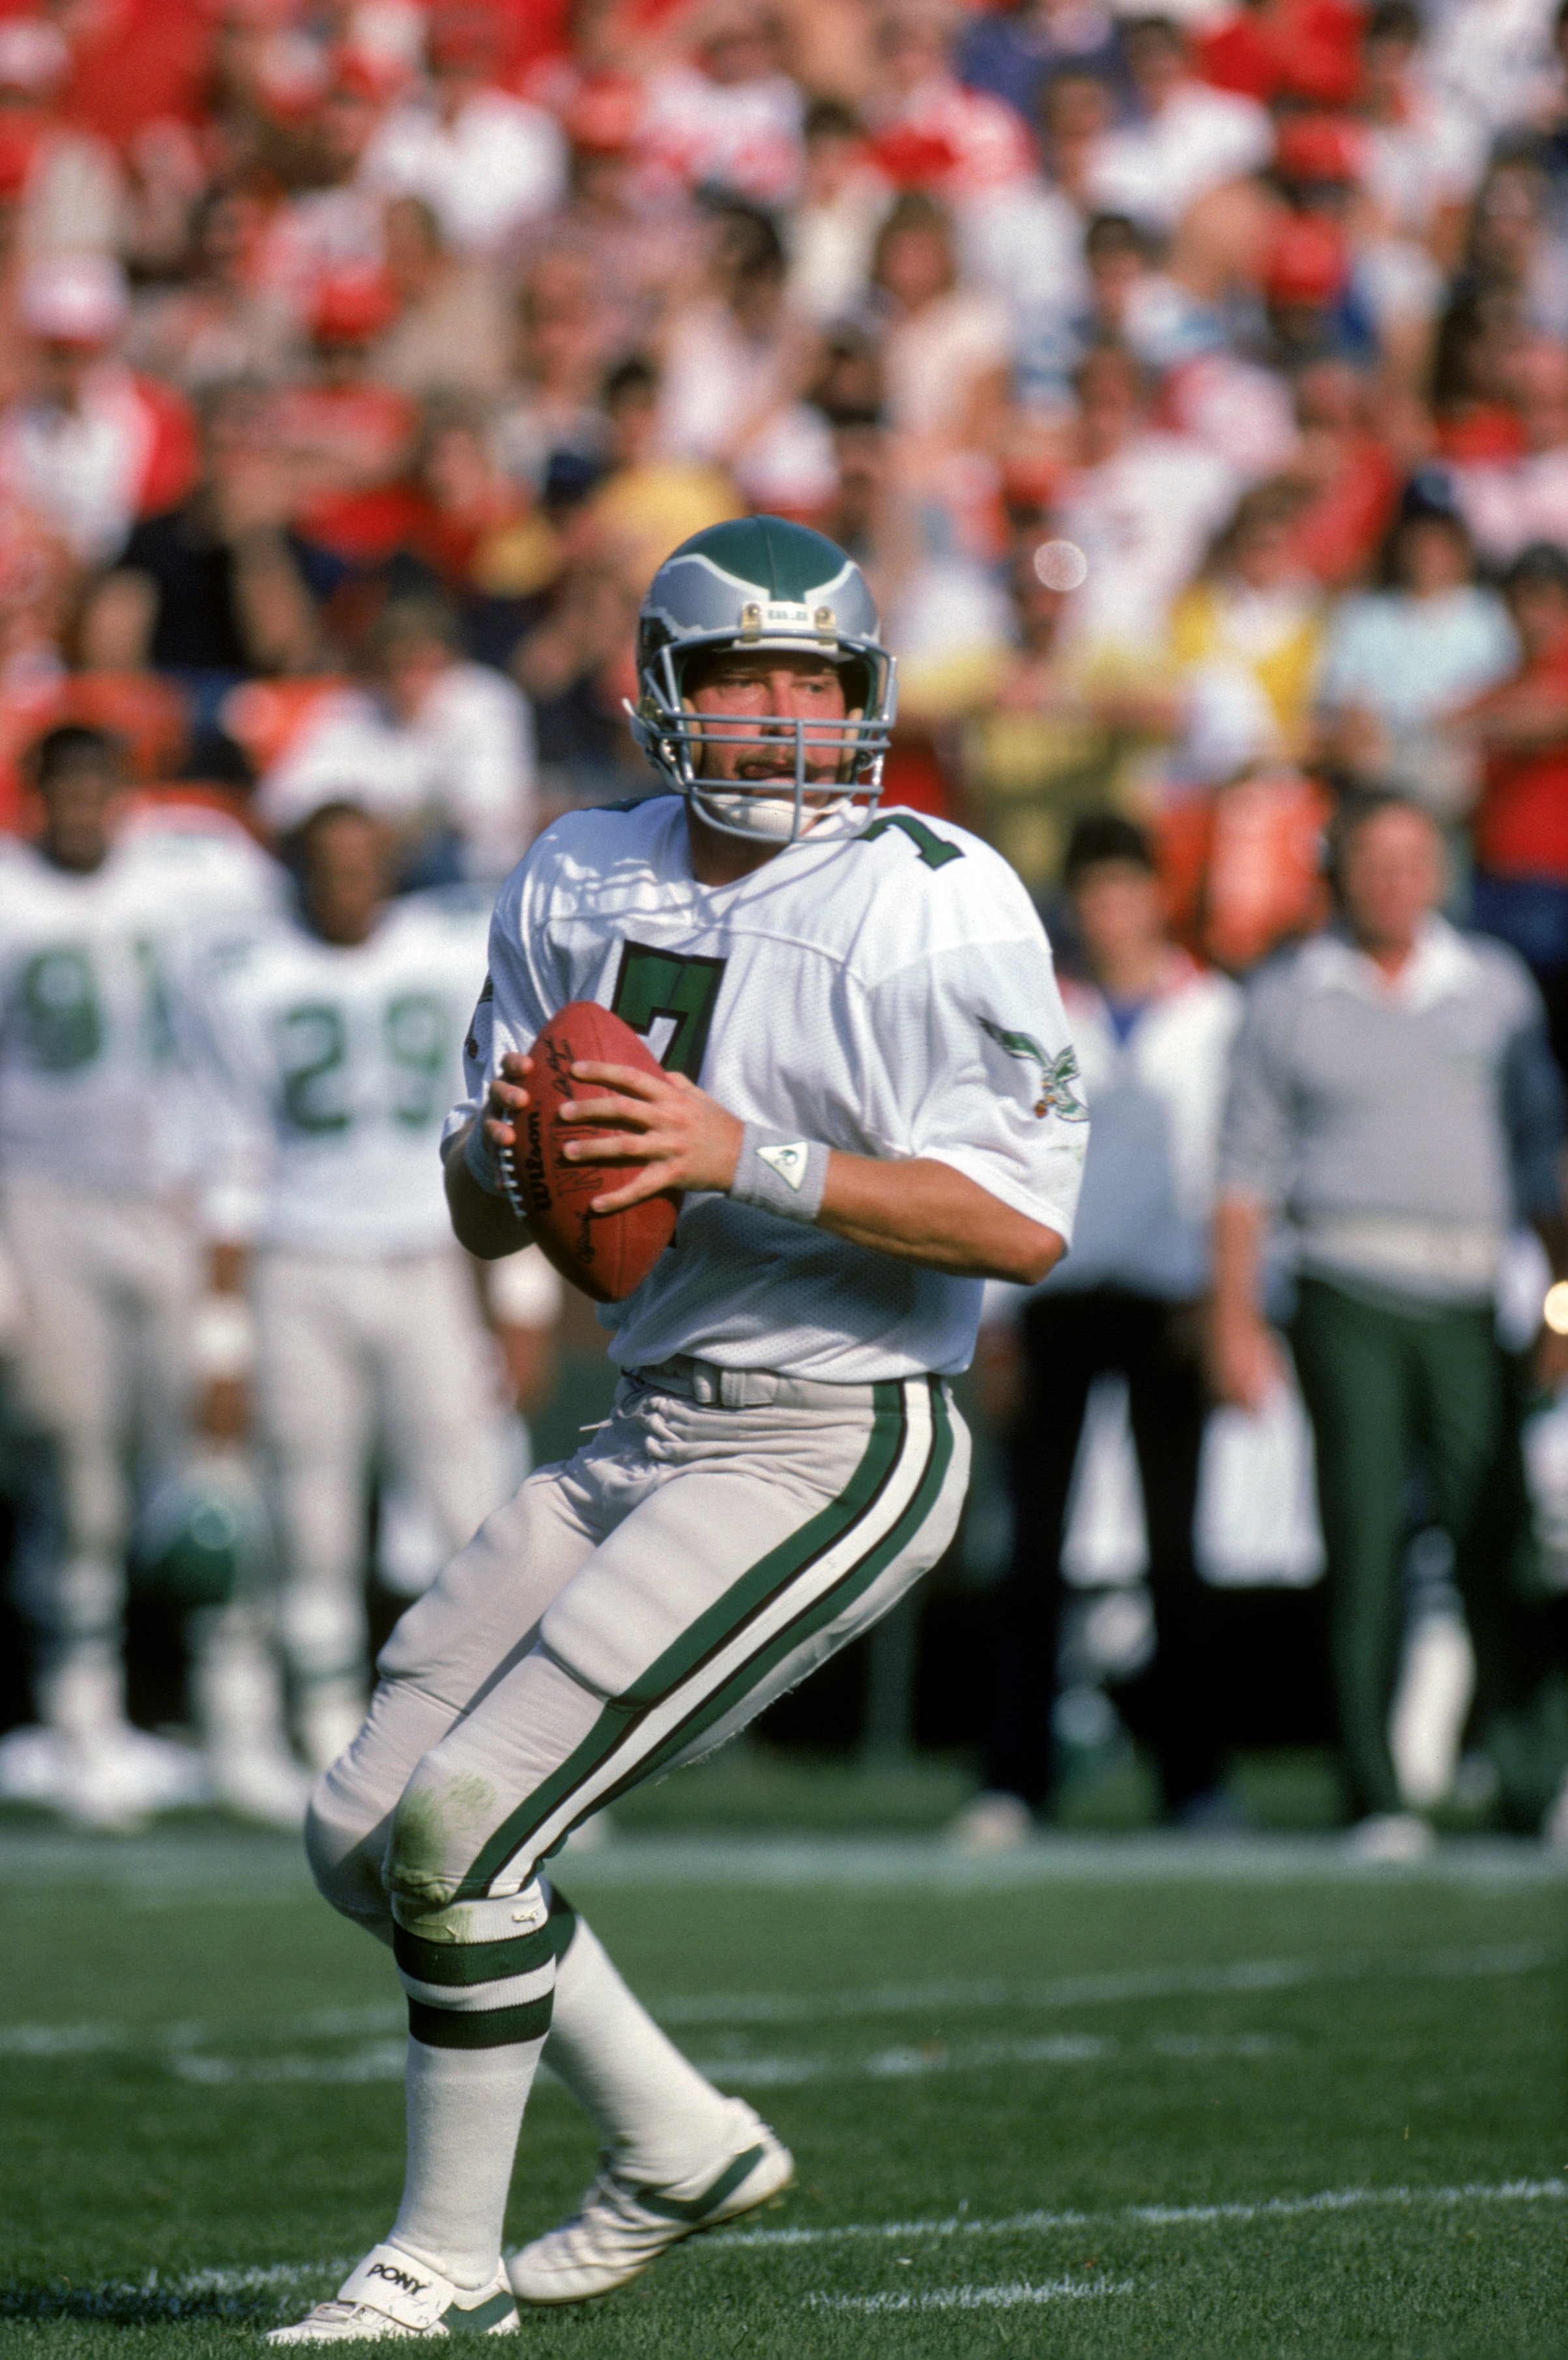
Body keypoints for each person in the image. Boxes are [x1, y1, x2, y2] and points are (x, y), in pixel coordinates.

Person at [270, 516, 1084, 2339]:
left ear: (867, 698)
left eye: (819, 681)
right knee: (364, 1829)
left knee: (466, 1832)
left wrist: (743, 1153)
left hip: (837, 1433)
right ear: (663, 693)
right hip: (651, 1415)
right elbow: (490, 1210)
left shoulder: (930, 887)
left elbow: (1021, 1222)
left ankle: (442, 2265)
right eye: (745, 680)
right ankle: (674, 2139)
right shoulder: (573, 872)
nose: (787, 720)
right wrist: (496, 1156)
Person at [1210, 792, 1568, 1859]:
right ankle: (1373, 1788)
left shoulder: (1493, 988)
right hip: (1341, 1286)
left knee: (1492, 1530)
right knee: (1363, 1534)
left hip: (1467, 1294)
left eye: (1411, 860)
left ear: (1439, 870)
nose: (1391, 880)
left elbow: (1542, 1157)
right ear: (1338, 871)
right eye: (1372, 860)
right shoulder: (1288, 995)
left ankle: (1528, 1780)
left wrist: (1562, 1303)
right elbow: (1241, 1175)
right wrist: (1231, 1317)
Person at [194, 802, 560, 1775]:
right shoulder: (246, 978)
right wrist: (220, 1335)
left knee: (468, 1507)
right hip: (299, 1259)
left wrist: (519, 1302)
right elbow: (232, 1161)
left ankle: (487, 1737)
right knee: (306, 1514)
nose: (346, 886)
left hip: (424, 1257)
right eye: (328, 867)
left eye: (363, 865)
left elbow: (502, 1129)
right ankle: (324, 1738)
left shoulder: (446, 953)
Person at [0, 723, 287, 1826]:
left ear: (129, 792)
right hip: (42, 1203)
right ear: (34, 798)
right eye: (62, 788)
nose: (82, 805)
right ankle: (81, 1716)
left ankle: (238, 1716)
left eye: (99, 784)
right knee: (74, 1469)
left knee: (212, 1462)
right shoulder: (17, 897)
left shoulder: (197, 871)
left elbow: (303, 914)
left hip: (173, 1201)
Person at [954, 816, 1243, 1849]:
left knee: (1178, 1549)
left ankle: (1192, 1781)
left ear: (1157, 898)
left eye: (1126, 890)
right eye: (1094, 893)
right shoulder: (1042, 1014)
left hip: (1169, 1300)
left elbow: (1234, 1169)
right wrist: (993, 1326)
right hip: (1058, 1296)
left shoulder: (1213, 1011)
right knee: (1032, 1550)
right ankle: (1014, 1779)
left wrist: (1227, 1307)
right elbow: (993, 1163)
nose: (1110, 911)